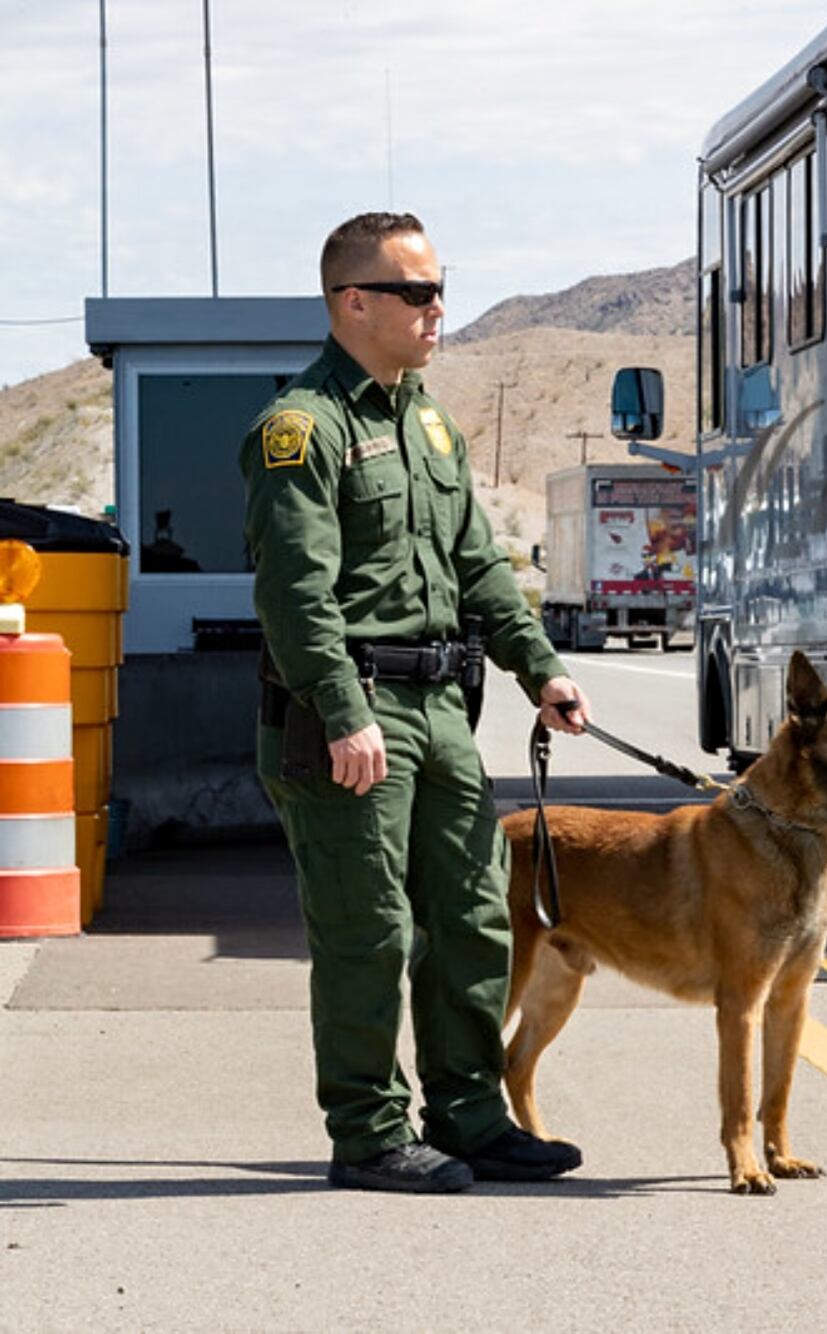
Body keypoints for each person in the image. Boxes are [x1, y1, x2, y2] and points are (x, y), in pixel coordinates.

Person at [240, 211, 593, 1193]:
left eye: (443, 287)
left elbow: (477, 562)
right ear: (355, 302)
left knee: (476, 912)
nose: (440, 309)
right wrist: (343, 709)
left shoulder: (426, 418)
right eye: (419, 291)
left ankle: (470, 1114)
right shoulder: (301, 429)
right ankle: (366, 1130)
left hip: (441, 705)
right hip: (350, 706)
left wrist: (540, 667)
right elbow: (294, 595)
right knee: (369, 928)